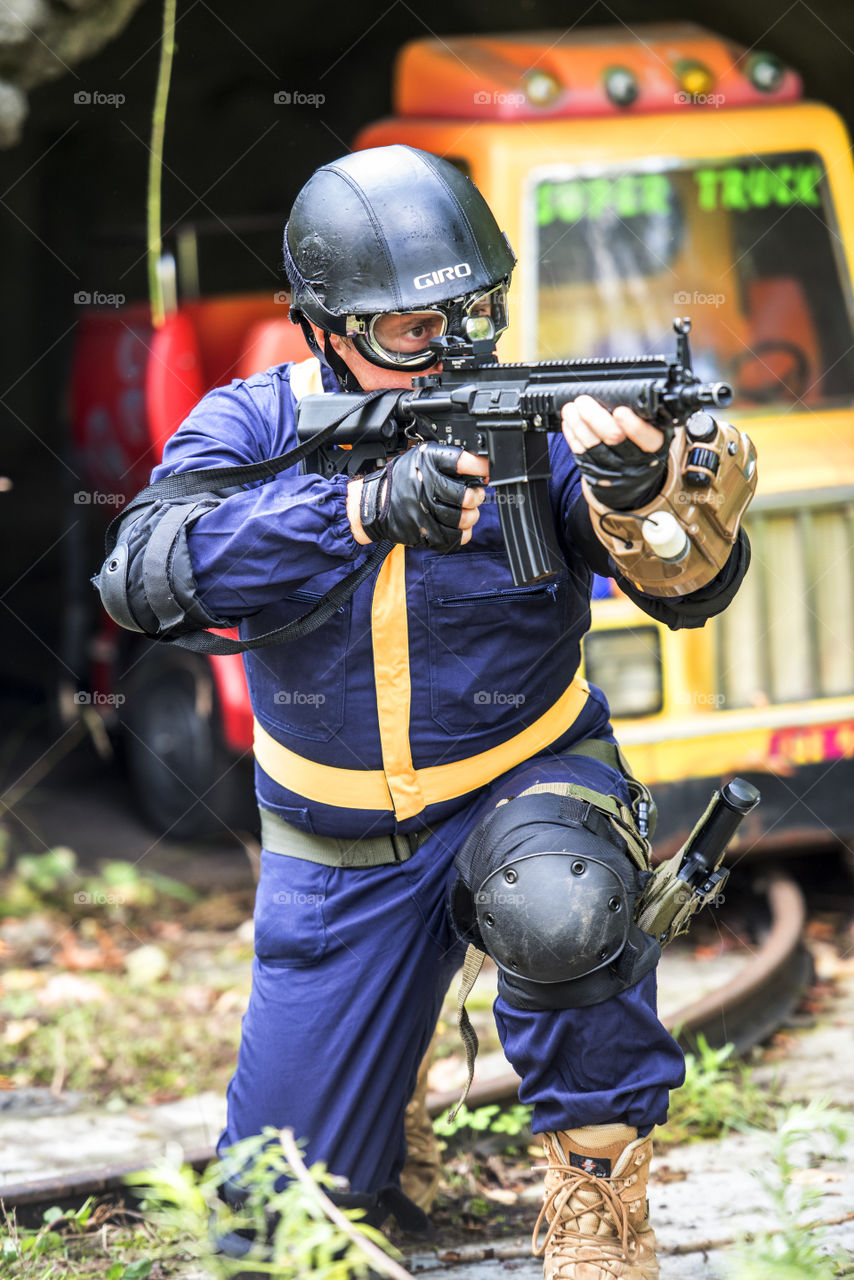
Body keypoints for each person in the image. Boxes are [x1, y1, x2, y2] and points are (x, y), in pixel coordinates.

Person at [97, 144, 752, 1279]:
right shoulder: (253, 425)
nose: (453, 348)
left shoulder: (535, 425)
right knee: (270, 1236)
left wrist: (634, 492)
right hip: (336, 842)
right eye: (413, 330)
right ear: (325, 327)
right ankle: (382, 1085)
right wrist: (357, 508)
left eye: (474, 313)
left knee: (562, 904)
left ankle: (599, 1204)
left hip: (525, 784)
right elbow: (141, 575)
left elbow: (688, 590)